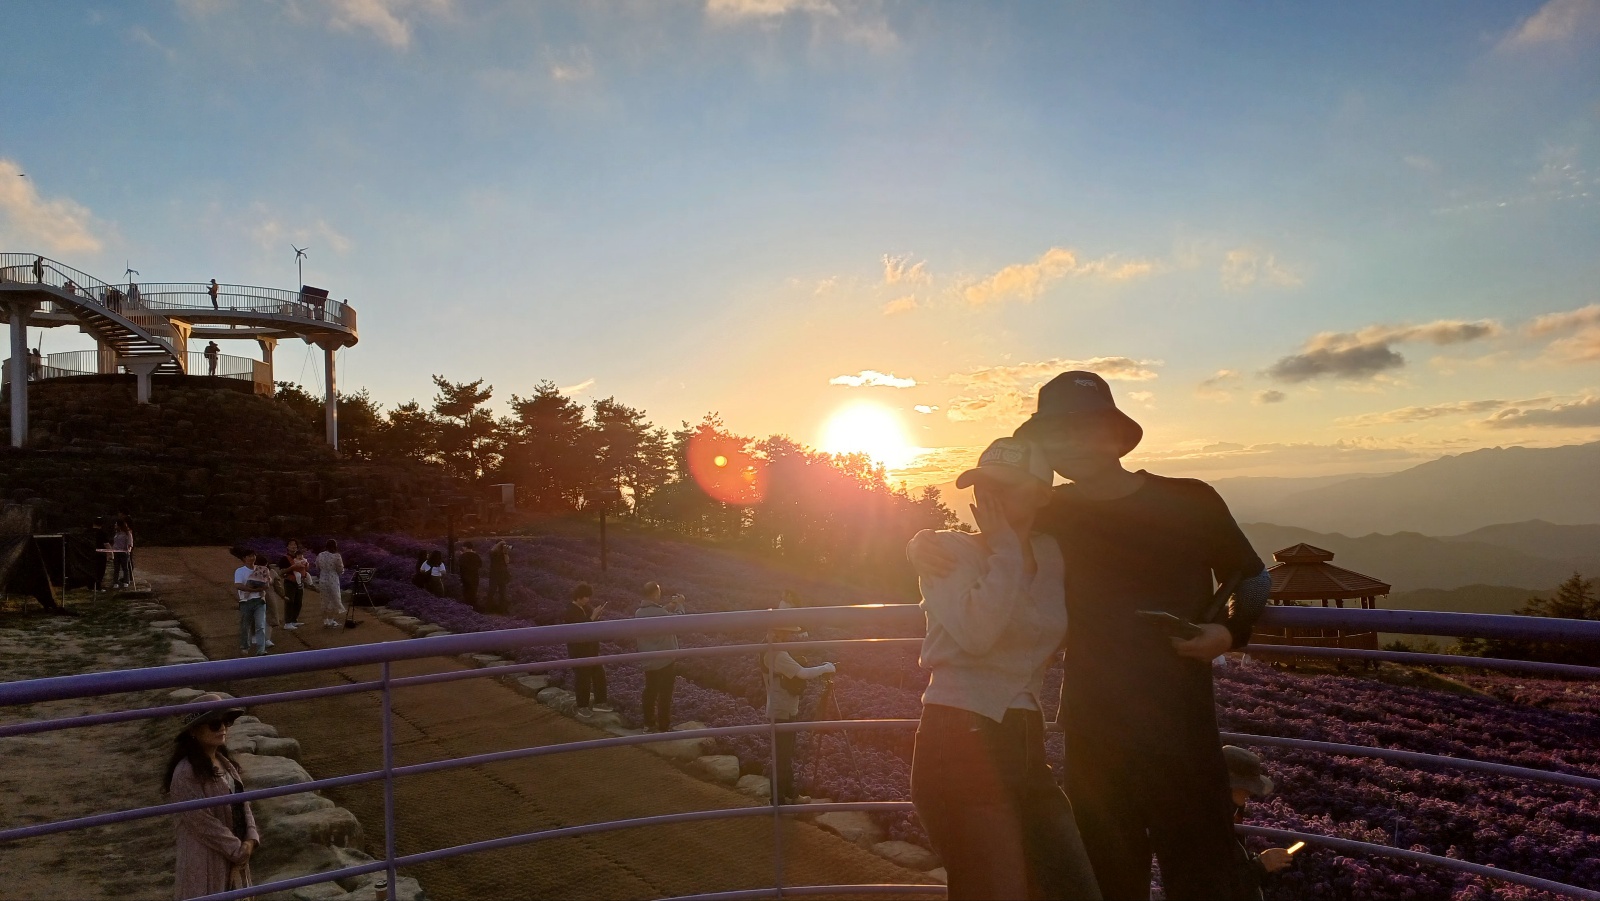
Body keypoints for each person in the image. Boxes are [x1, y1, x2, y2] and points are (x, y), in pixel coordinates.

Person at [911, 371, 1272, 900]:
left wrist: (1228, 632)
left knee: (1206, 879)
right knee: (1107, 880)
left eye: (1084, 427)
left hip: (1183, 728)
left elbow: (1254, 577)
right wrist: (920, 542)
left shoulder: (1192, 499)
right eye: (1056, 433)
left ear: (1115, 435)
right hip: (1093, 733)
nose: (1071, 442)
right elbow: (994, 536)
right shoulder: (1055, 510)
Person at [909, 437, 1100, 901]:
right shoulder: (948, 551)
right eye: (982, 485)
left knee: (1070, 886)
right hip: (958, 738)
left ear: (1042, 495)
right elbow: (978, 633)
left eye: (1006, 486)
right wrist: (1006, 552)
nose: (989, 495)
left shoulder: (1053, 554)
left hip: (1026, 742)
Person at [163, 693, 259, 899]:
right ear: (194, 731)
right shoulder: (185, 773)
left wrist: (251, 839)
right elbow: (201, 821)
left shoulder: (226, 764)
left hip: (235, 855)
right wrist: (237, 849)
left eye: (226, 722)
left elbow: (243, 803)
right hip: (205, 860)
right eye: (215, 724)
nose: (222, 728)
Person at [761, 593, 835, 805]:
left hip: (779, 707)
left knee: (784, 756)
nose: (789, 637)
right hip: (782, 710)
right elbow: (802, 673)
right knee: (783, 757)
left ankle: (786, 796)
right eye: (787, 633)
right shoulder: (777, 654)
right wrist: (826, 668)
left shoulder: (769, 647)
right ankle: (780, 799)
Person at [1223, 746, 1297, 898]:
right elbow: (1218, 887)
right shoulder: (1209, 823)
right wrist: (1261, 865)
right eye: (1246, 787)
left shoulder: (1228, 811)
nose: (1250, 793)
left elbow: (1231, 860)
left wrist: (1260, 860)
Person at [633, 583, 686, 732]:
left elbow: (658, 612)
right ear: (655, 594)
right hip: (665, 659)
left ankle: (648, 724)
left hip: (649, 659)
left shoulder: (639, 613)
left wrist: (670, 606)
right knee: (665, 693)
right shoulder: (660, 613)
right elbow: (680, 621)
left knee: (650, 690)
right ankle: (664, 727)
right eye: (659, 592)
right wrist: (680, 605)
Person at [563, 583, 613, 717]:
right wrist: (592, 617)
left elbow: (591, 624)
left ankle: (600, 703)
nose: (588, 600)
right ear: (579, 596)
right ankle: (582, 706)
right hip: (579, 652)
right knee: (582, 679)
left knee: (599, 675)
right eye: (586, 597)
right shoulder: (570, 610)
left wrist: (596, 616)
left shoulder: (586, 608)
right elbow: (580, 629)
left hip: (592, 650)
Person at [232, 548, 270, 656]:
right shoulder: (240, 571)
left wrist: (262, 587)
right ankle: (245, 646)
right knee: (245, 625)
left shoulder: (261, 569)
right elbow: (238, 585)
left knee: (260, 625)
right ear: (244, 558)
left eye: (253, 555)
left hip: (259, 601)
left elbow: (267, 582)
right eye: (249, 556)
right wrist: (253, 590)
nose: (252, 558)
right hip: (245, 601)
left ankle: (261, 649)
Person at [276, 540, 309, 629]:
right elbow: (281, 572)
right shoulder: (284, 558)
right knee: (290, 601)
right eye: (291, 545)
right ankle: (287, 622)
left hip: (300, 582)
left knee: (298, 602)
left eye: (295, 545)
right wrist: (292, 567)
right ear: (287, 547)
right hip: (290, 582)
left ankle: (294, 620)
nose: (293, 546)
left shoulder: (300, 557)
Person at [315, 539, 346, 628]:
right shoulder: (336, 556)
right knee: (334, 599)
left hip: (323, 579)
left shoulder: (320, 555)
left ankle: (325, 621)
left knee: (324, 600)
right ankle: (331, 620)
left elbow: (317, 567)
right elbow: (340, 569)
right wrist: (340, 572)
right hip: (333, 579)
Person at [487, 540, 512, 614]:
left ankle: (502, 609)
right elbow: (492, 554)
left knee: (502, 592)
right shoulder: (493, 552)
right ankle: (489, 608)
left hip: (502, 574)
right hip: (494, 574)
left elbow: (507, 562)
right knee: (492, 591)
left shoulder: (503, 553)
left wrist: (505, 553)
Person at [457, 541, 483, 610]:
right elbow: (480, 565)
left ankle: (467, 609)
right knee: (473, 593)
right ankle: (474, 609)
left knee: (466, 594)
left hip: (465, 577)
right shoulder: (476, 556)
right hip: (475, 577)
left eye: (463, 547)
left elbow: (460, 567)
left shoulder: (462, 556)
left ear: (466, 547)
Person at [111, 518, 134, 589]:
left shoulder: (127, 533)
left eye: (116, 524)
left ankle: (126, 581)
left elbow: (130, 543)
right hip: (116, 552)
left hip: (124, 552)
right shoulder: (117, 533)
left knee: (125, 568)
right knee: (116, 568)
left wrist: (128, 550)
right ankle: (115, 582)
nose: (115, 525)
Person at [89, 516, 110, 592]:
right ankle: (97, 586)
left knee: (91, 570)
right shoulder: (102, 533)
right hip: (100, 555)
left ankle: (91, 586)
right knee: (100, 571)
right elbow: (106, 544)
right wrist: (110, 553)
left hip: (89, 554)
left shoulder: (88, 532)